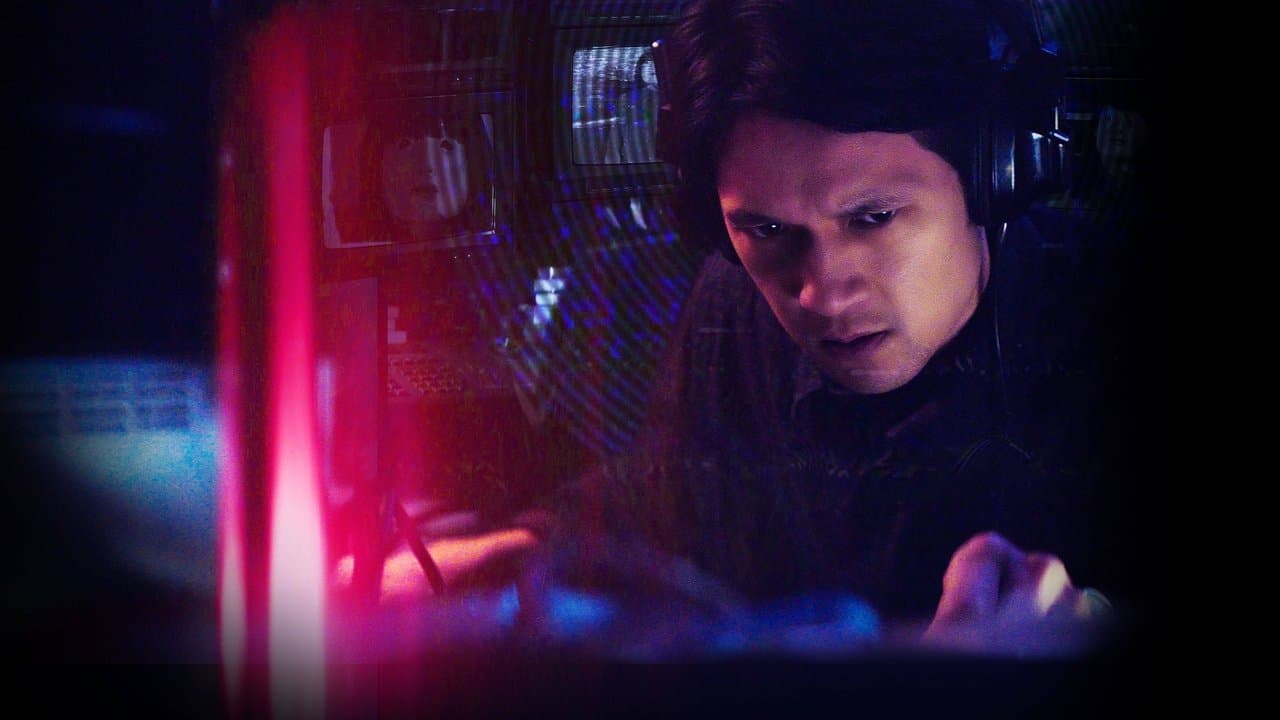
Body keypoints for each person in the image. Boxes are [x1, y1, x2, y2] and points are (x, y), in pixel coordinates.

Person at [532, 0, 1140, 655]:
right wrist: (529, 551)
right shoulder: (731, 303)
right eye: (767, 229)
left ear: (994, 177)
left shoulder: (1119, 324)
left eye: (873, 219)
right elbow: (666, 495)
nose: (821, 293)